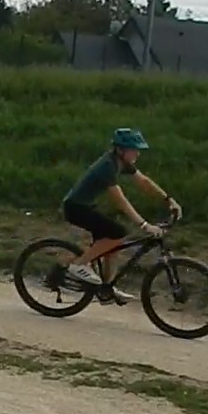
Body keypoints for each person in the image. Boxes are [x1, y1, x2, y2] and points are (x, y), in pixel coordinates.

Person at [59, 127, 180, 304]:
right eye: (134, 149)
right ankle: (79, 265)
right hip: (75, 208)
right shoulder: (107, 165)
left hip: (86, 206)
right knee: (118, 233)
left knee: (111, 247)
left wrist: (168, 200)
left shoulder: (120, 162)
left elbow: (144, 182)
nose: (137, 153)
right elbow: (120, 200)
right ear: (120, 150)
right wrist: (144, 225)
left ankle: (106, 288)